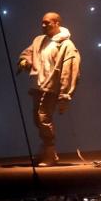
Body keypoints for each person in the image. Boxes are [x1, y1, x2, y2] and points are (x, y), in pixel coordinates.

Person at [17, 11, 81, 166]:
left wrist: (65, 94)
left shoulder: (67, 45)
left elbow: (70, 71)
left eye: (47, 22)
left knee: (44, 118)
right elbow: (28, 53)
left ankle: (50, 153)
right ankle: (46, 151)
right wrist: (24, 62)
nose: (43, 25)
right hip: (38, 86)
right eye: (42, 22)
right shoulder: (39, 40)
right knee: (38, 120)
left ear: (57, 23)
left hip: (51, 88)